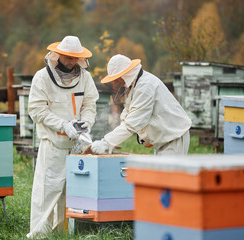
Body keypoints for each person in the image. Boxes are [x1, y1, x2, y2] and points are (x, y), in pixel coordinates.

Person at [26, 36, 99, 238]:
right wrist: (63, 125)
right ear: (58, 55)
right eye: (68, 57)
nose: (72, 61)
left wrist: (86, 123)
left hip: (77, 145)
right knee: (47, 191)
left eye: (75, 58)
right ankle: (40, 233)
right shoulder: (42, 77)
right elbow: (37, 110)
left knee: (73, 190)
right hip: (53, 144)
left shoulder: (85, 77)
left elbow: (89, 104)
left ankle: (64, 232)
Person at [91, 54, 191, 155]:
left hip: (174, 136)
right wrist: (111, 142)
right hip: (165, 138)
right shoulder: (135, 85)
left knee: (168, 171)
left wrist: (106, 142)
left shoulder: (145, 86)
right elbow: (126, 116)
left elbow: (133, 122)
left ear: (125, 74)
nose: (116, 81)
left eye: (117, 78)